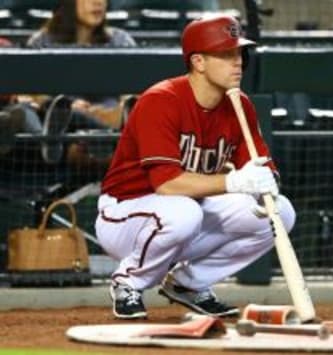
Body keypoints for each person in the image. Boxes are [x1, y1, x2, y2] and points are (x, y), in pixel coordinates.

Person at [95, 14, 296, 320]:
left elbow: (261, 166)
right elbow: (167, 184)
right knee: (184, 211)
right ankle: (128, 281)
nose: (238, 61)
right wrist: (234, 182)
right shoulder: (161, 100)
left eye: (239, 53)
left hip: (185, 213)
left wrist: (266, 181)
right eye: (226, 54)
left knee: (279, 212)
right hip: (125, 214)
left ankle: (190, 283)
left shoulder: (238, 104)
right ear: (199, 62)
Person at [26, 0, 137, 130]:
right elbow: (33, 94)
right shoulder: (42, 42)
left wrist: (115, 113)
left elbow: (132, 96)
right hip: (63, 124)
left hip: (112, 125)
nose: (99, 3)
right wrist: (69, 107)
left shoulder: (121, 41)